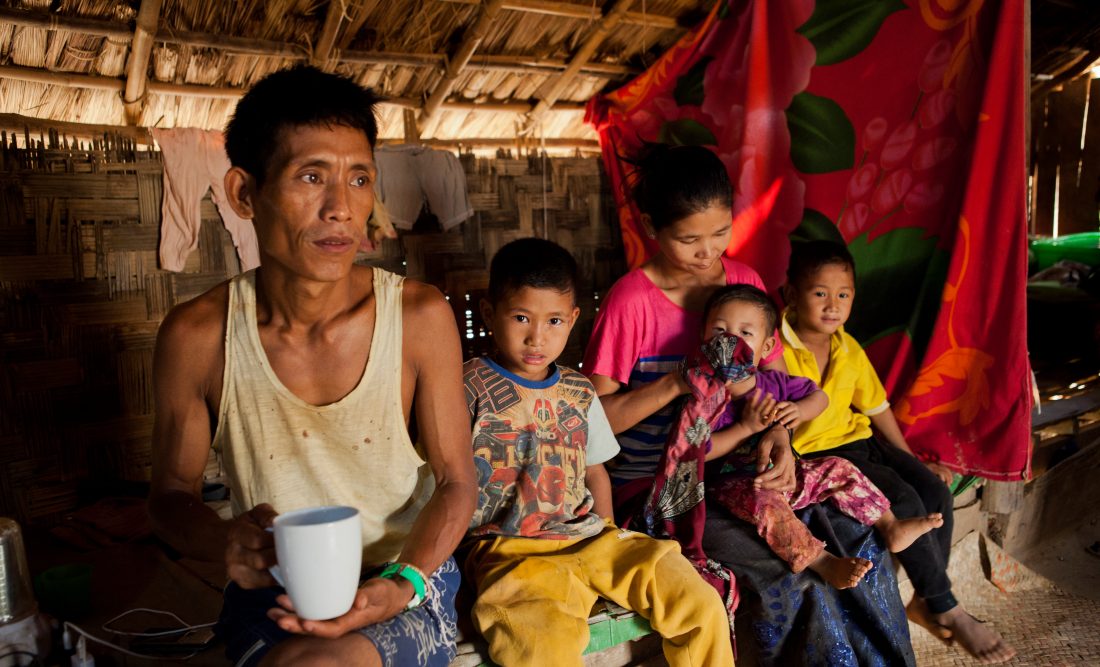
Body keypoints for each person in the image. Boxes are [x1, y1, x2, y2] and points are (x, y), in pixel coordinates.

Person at [147, 65, 477, 667]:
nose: (342, 209)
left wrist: (400, 583)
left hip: (406, 581)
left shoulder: (418, 318)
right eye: (310, 177)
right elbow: (169, 496)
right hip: (270, 590)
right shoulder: (199, 337)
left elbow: (457, 482)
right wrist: (227, 542)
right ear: (245, 193)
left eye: (359, 179)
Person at [584, 144, 916, 665]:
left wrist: (780, 441)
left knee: (855, 541)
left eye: (720, 233)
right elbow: (595, 422)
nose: (707, 251)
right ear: (650, 226)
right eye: (689, 238)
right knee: (788, 577)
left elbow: (776, 385)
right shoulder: (631, 302)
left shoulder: (745, 284)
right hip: (664, 489)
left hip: (742, 467)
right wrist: (676, 383)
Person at [462, 238, 734, 667]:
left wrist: (607, 533)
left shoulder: (579, 391)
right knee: (538, 647)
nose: (537, 338)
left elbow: (596, 473)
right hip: (511, 553)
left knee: (695, 599)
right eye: (520, 318)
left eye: (554, 321)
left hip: (590, 537)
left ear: (573, 319)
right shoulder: (466, 387)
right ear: (488, 314)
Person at [780, 240, 1016, 664]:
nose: (833, 305)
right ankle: (946, 606)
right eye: (820, 293)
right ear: (790, 295)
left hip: (862, 440)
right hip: (823, 455)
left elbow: (876, 407)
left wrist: (908, 458)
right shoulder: (775, 347)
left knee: (934, 490)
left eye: (844, 295)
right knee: (904, 502)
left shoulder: (847, 347)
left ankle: (927, 600)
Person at [697, 285, 943, 588]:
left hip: (790, 474)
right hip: (737, 486)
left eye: (745, 333)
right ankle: (822, 562)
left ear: (766, 347)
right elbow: (700, 451)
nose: (730, 340)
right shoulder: (706, 395)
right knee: (766, 503)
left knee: (838, 467)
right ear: (703, 338)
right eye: (720, 330)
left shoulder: (774, 382)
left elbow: (819, 398)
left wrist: (799, 410)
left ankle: (889, 525)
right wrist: (744, 429)